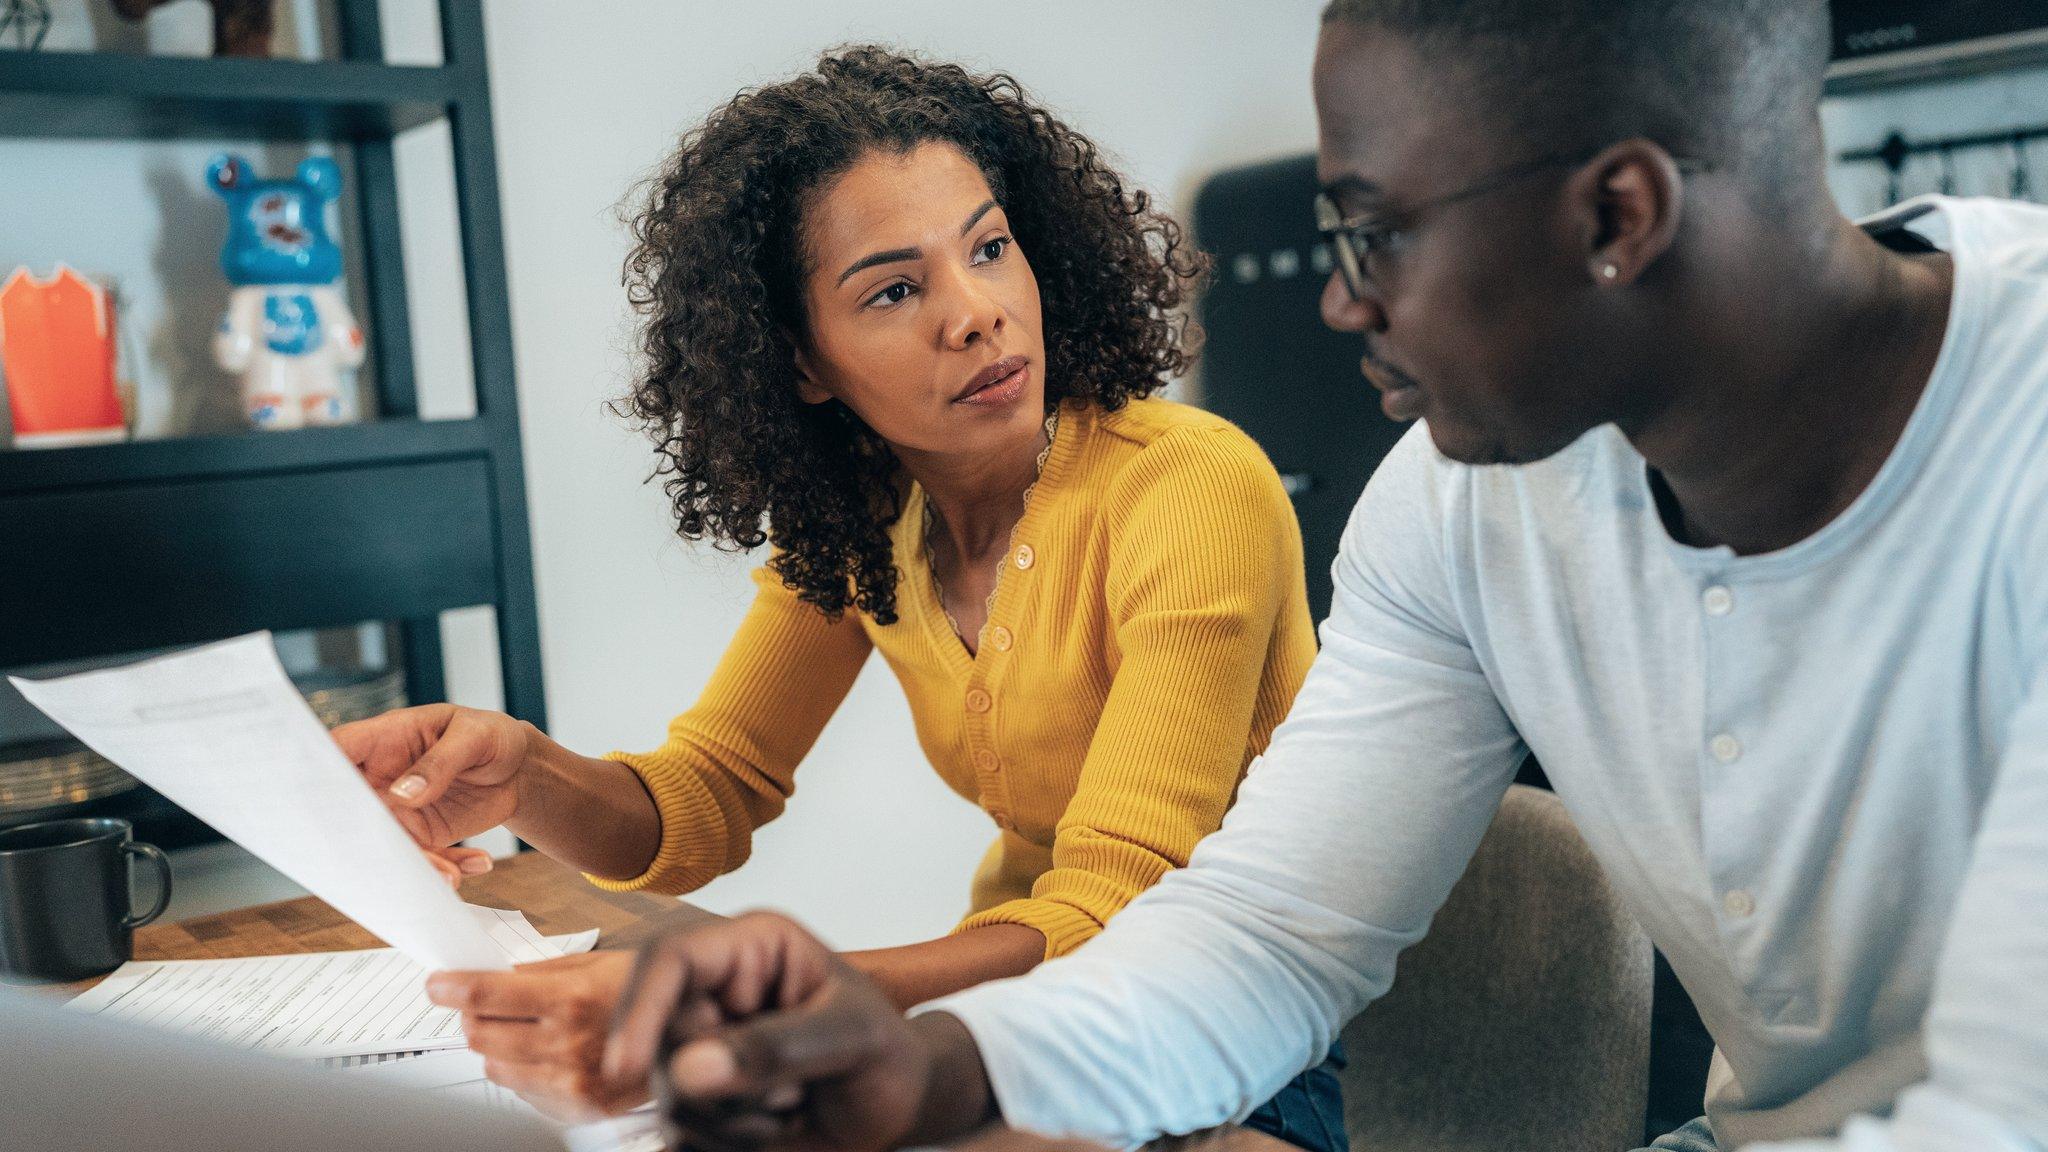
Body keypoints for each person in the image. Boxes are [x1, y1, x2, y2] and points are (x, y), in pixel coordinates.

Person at [593, 3, 2048, 1151]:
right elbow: (1272, 934)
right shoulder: (1456, 506)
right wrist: (924, 1069)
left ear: (1616, 218)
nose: (1343, 297)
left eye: (1376, 229)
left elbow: (1996, 1114)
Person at [332, 46, 1343, 1148]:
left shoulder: (1189, 488)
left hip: (1249, 1032)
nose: (975, 314)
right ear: (801, 362)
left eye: (990, 249)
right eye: (895, 290)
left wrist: (770, 1006)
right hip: (1018, 1006)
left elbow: (1117, 909)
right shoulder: (867, 521)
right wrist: (520, 773)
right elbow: (702, 802)